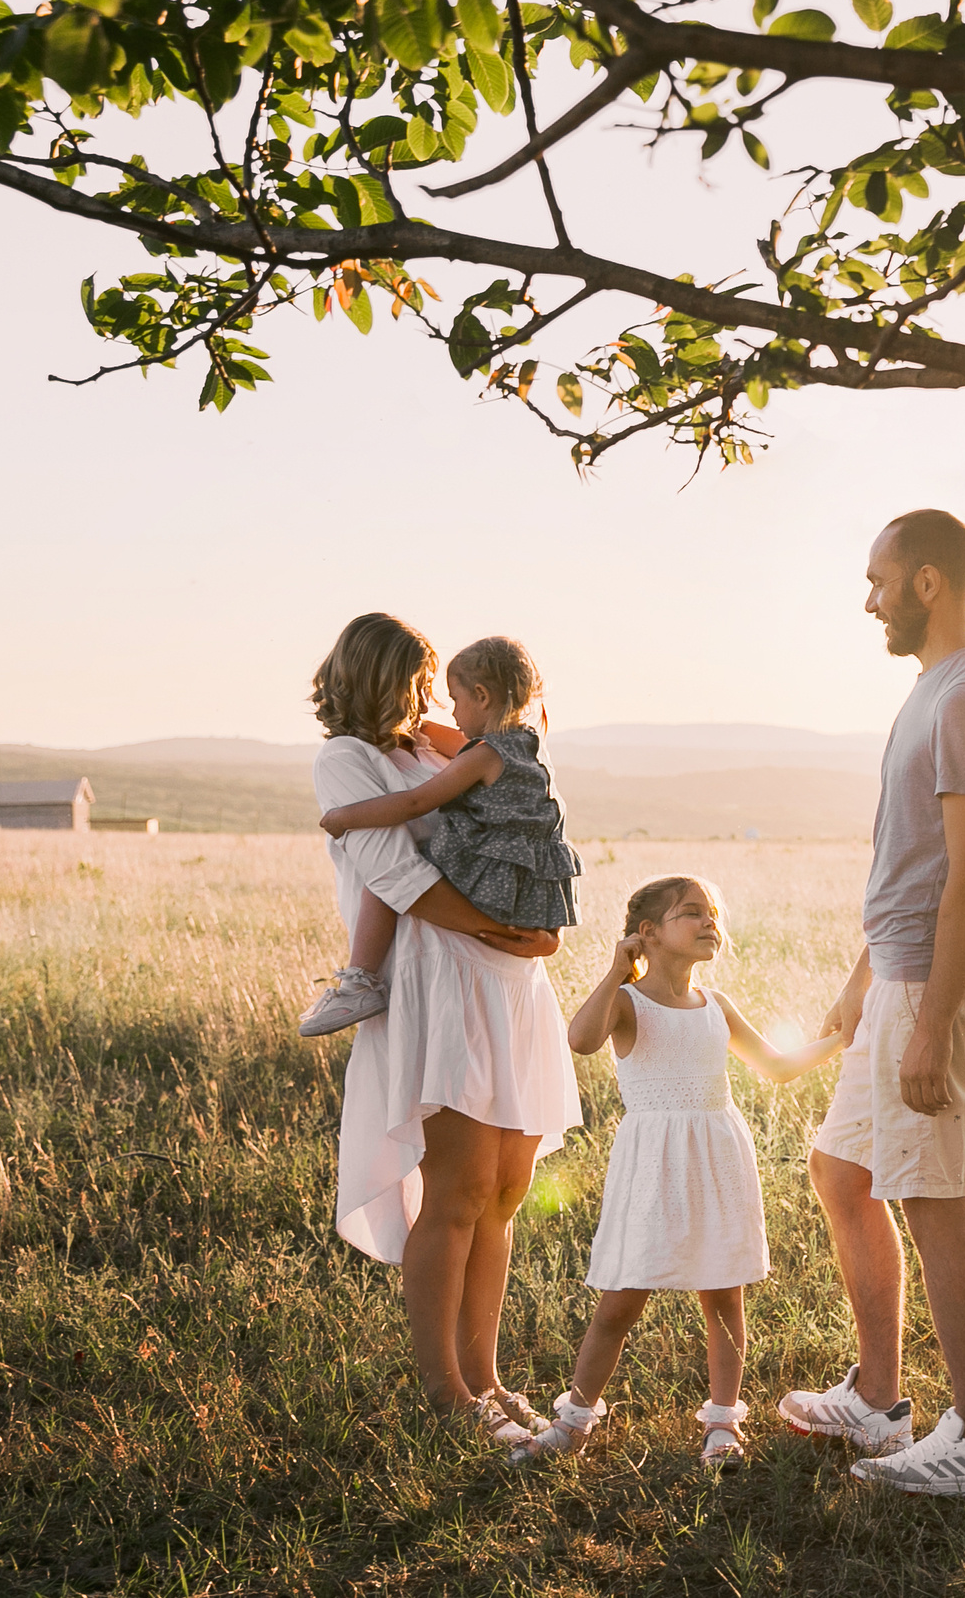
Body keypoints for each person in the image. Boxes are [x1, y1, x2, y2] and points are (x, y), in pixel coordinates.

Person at [778, 509, 965, 1499]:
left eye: (877, 579)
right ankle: (880, 1402)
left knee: (933, 1204)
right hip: (900, 974)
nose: (866, 598)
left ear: (927, 583)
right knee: (842, 1169)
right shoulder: (930, 690)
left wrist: (926, 1020)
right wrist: (862, 976)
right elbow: (911, 868)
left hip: (938, 988)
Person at [308, 612, 585, 1451]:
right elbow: (396, 876)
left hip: (512, 992)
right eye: (410, 678)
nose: (424, 695)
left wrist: (536, 936)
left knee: (503, 1194)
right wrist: (511, 931)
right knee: (457, 1193)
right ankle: (447, 1392)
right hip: (442, 986)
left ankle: (489, 1377)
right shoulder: (345, 759)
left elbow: (520, 807)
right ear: (369, 676)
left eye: (431, 679)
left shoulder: (441, 743)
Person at [516, 875, 846, 1469]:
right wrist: (617, 971)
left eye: (713, 913)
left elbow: (775, 1066)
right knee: (620, 1298)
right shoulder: (626, 1002)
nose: (708, 923)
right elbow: (581, 1039)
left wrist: (840, 1038)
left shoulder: (716, 1006)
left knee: (723, 1292)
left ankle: (723, 1425)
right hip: (653, 1160)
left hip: (717, 1153)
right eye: (691, 913)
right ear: (648, 933)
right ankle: (573, 1422)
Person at [301, 635, 581, 1036]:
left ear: (482, 696)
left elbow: (416, 803)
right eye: (418, 687)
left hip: (479, 890)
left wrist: (345, 817)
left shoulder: (482, 753)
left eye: (452, 699)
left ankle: (359, 980)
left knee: (387, 881)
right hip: (517, 891)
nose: (441, 708)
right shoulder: (529, 747)